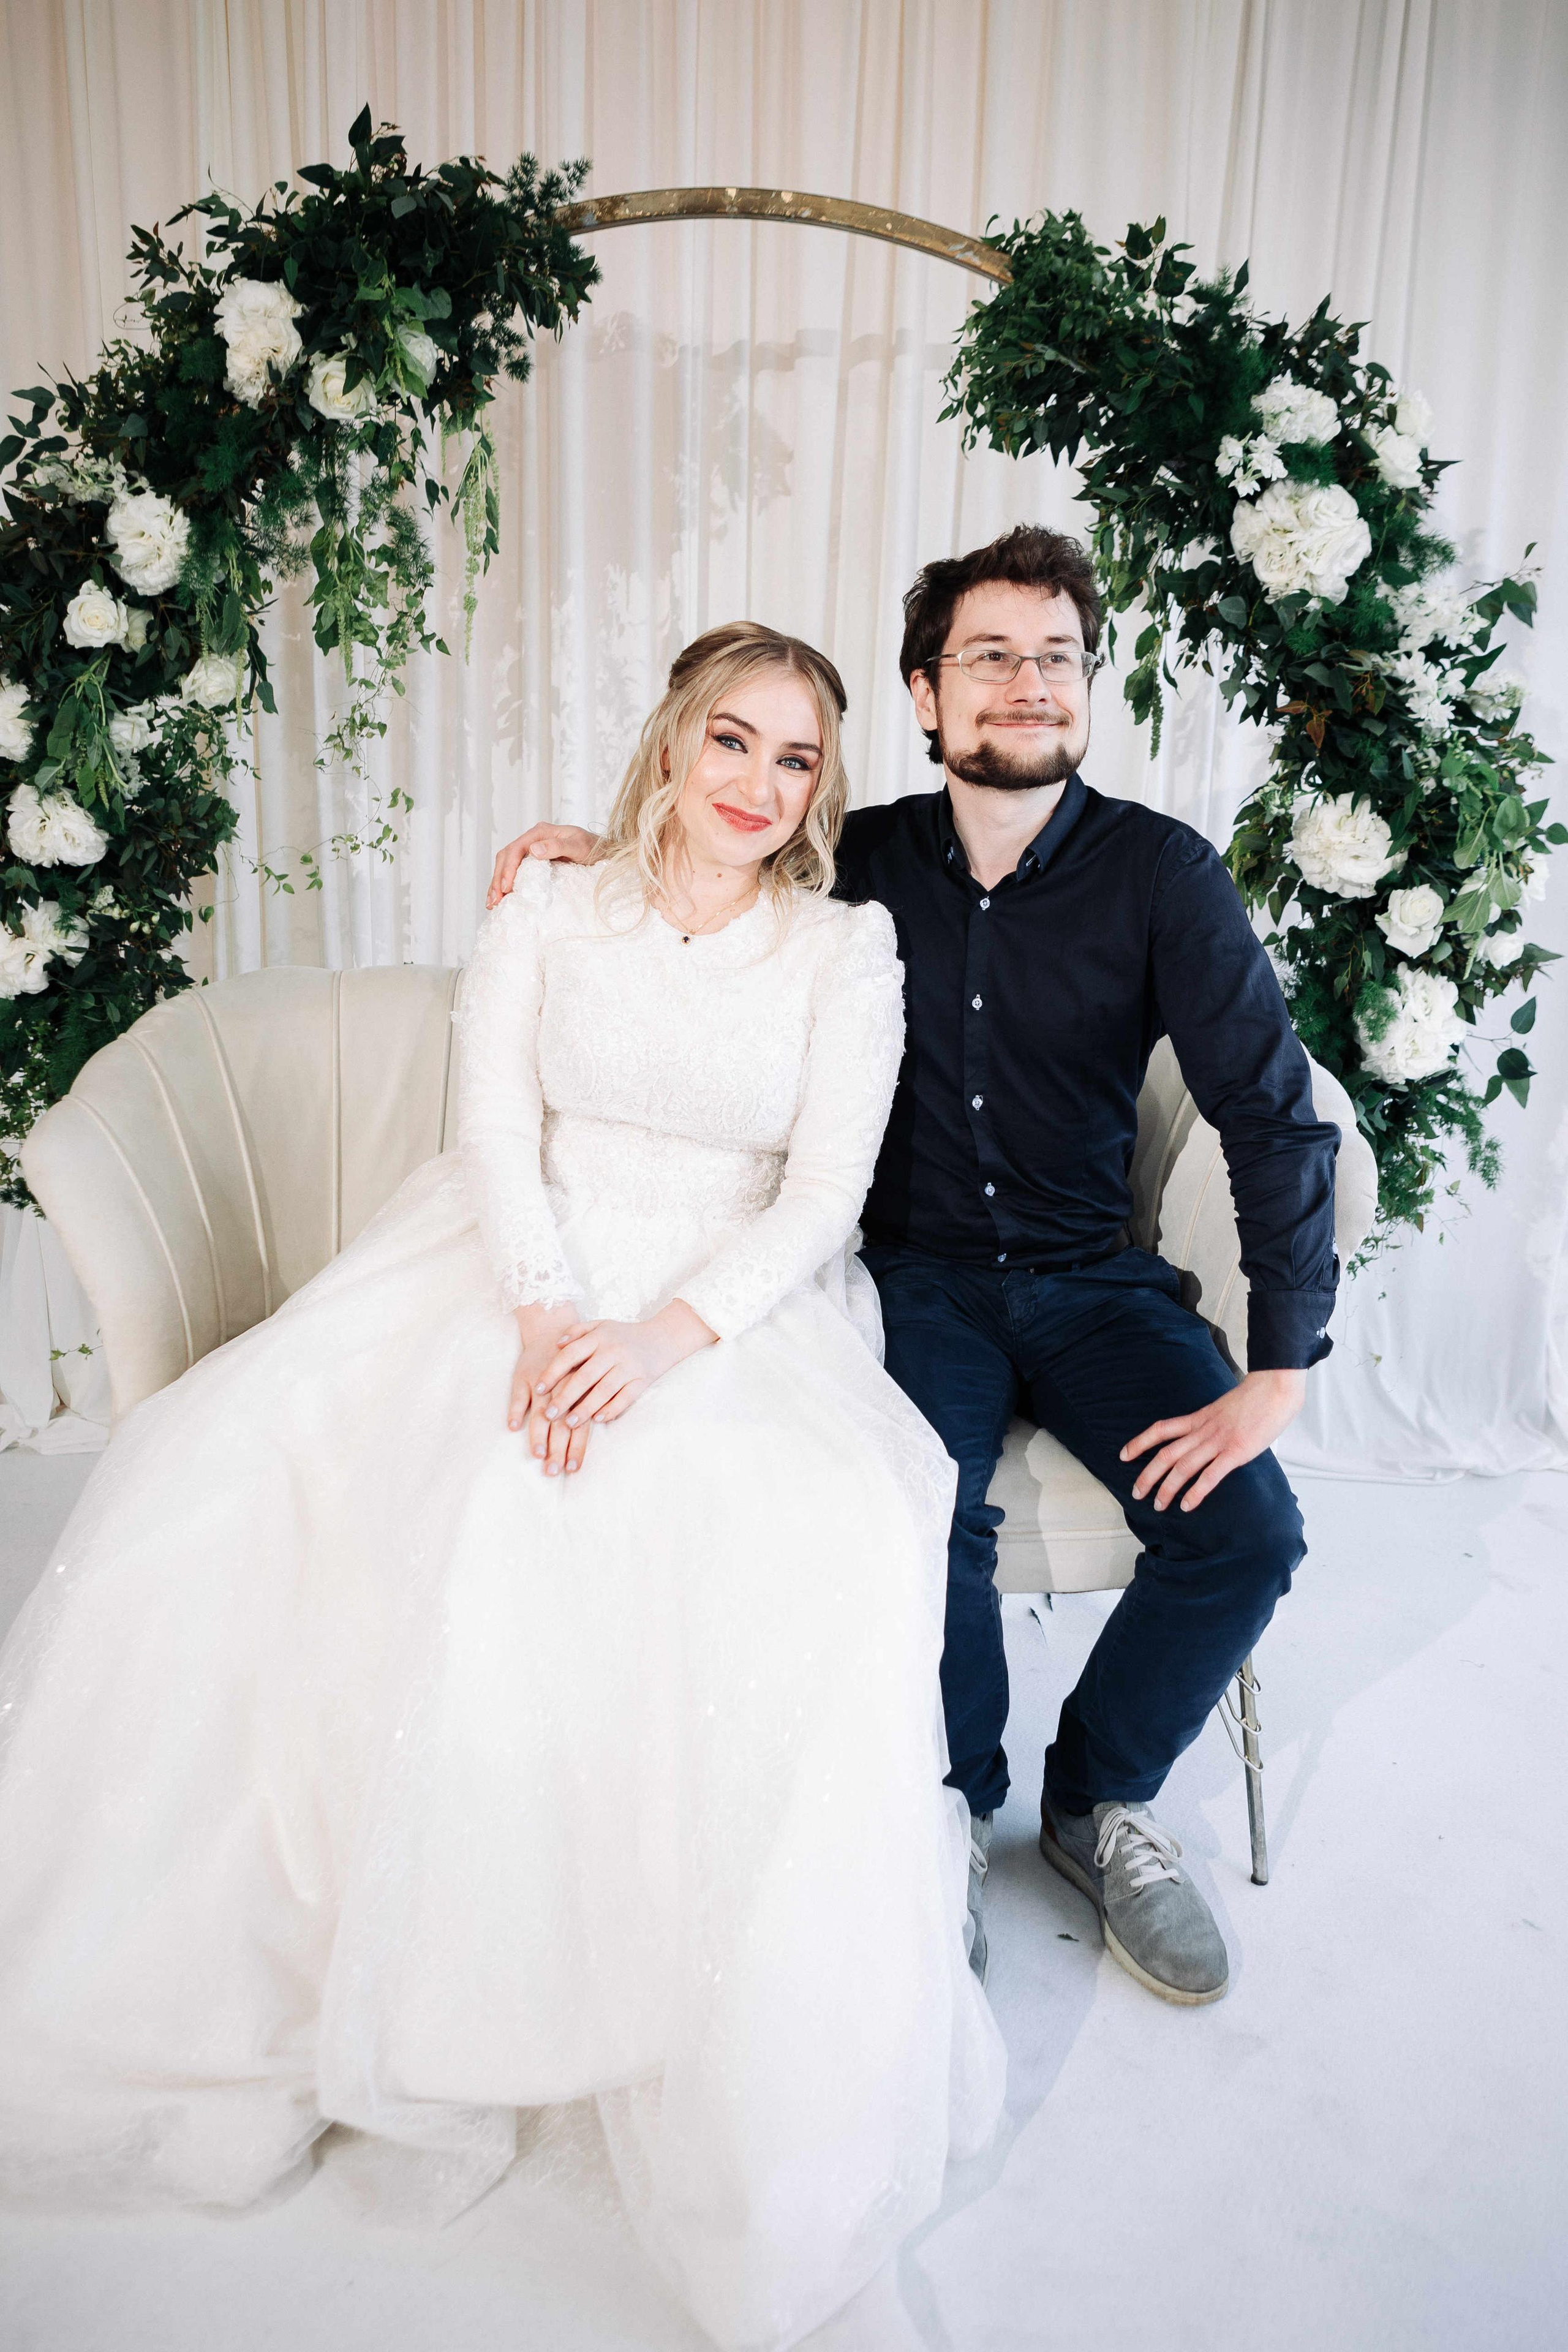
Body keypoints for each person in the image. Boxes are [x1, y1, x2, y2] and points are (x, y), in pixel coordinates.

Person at [0, 624, 1006, 2352]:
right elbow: (490, 1127)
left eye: (798, 761)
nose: (763, 788)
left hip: (727, 1302)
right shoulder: (553, 904)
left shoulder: (848, 952)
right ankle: (396, 1987)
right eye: (734, 744)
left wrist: (658, 1340)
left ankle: (690, 1999)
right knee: (296, 1478)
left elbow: (823, 1196)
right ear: (674, 743)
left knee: (799, 1532)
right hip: (511, 1259)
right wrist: (549, 1312)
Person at [489, 527, 1342, 2008]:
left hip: (1091, 1278)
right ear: (925, 694)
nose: (1027, 683)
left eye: (1056, 658)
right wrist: (579, 841)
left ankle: (1097, 1803)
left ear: (1088, 689)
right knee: (911, 1504)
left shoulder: (1162, 876)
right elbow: (709, 849)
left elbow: (1267, 1112)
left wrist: (1280, 1367)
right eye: (989, 657)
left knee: (1249, 1534)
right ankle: (948, 1806)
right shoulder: (858, 856)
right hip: (920, 1278)